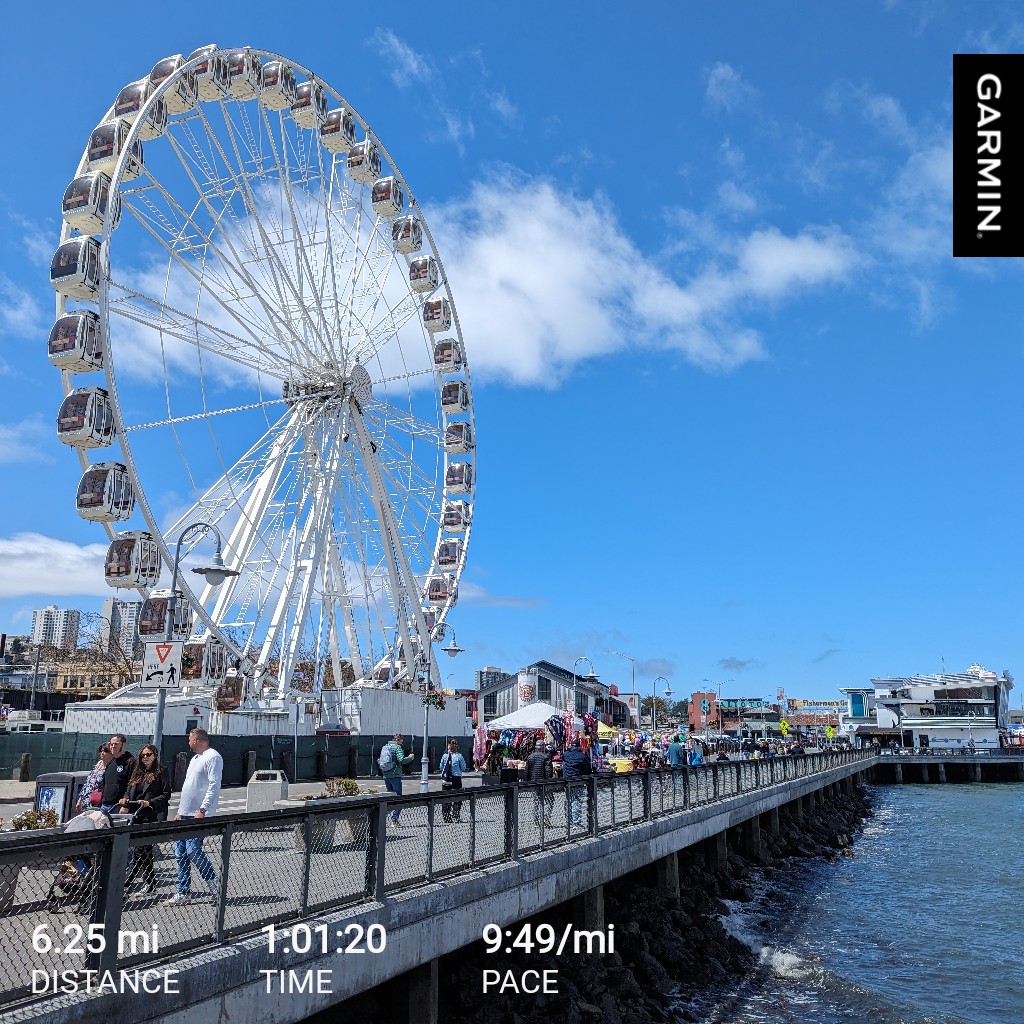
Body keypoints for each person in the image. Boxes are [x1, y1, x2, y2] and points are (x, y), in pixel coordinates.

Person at [163, 728, 223, 907]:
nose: (188, 743)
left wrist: (203, 809)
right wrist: (180, 811)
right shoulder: (195, 758)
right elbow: (189, 786)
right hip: (185, 813)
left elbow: (214, 785)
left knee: (193, 850)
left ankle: (214, 886)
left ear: (196, 740)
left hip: (198, 814)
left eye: (190, 739)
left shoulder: (213, 757)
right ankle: (183, 891)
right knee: (180, 853)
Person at [119, 744, 171, 893]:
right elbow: (130, 790)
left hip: (152, 814)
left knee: (142, 848)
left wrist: (150, 802)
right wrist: (125, 798)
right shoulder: (138, 772)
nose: (145, 757)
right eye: (143, 755)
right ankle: (150, 882)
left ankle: (130, 881)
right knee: (142, 849)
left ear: (155, 755)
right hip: (137, 813)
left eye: (148, 755)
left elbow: (166, 794)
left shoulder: (161, 771)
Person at [380, 733, 414, 826]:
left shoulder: (385, 746)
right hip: (395, 774)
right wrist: (410, 758)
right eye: (401, 742)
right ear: (398, 740)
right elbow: (401, 760)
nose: (402, 744)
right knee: (398, 797)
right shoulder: (397, 747)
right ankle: (394, 819)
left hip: (386, 774)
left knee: (389, 796)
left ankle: (384, 814)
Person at [560, 738, 592, 828]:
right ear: (579, 746)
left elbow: (562, 759)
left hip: (566, 781)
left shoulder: (566, 755)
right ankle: (576, 822)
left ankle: (568, 821)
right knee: (576, 801)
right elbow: (588, 770)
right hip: (578, 781)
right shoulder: (582, 756)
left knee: (568, 800)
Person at [100, 734, 135, 811]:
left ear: (123, 745)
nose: (113, 746)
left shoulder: (130, 762)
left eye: (116, 744)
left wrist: (125, 804)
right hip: (104, 805)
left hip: (118, 806)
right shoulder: (111, 763)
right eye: (111, 744)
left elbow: (132, 784)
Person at [525, 739, 554, 826]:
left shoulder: (530, 757)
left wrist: (528, 782)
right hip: (544, 782)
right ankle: (546, 816)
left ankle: (536, 821)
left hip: (534, 782)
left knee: (536, 802)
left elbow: (527, 771)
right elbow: (549, 772)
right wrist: (549, 780)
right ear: (543, 747)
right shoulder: (546, 757)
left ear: (535, 747)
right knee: (550, 801)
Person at [76, 743, 112, 811]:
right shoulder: (97, 766)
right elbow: (87, 783)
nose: (102, 753)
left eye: (105, 751)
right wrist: (80, 799)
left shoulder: (110, 768)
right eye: (101, 751)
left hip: (99, 801)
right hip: (87, 800)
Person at [439, 740, 467, 823]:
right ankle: (456, 815)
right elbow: (463, 767)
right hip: (456, 778)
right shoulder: (459, 756)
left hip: (446, 778)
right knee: (457, 797)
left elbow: (441, 767)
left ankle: (446, 817)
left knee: (446, 797)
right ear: (456, 746)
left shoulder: (445, 756)